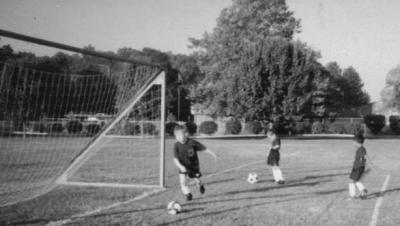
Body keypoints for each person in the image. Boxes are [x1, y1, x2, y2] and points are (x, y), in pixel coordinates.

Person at [173, 124, 217, 201]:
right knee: (182, 183)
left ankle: (200, 185)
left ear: (186, 134)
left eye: (180, 135)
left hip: (194, 167)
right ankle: (188, 194)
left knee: (197, 180)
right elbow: (175, 159)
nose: (178, 138)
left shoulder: (192, 142)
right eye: (177, 136)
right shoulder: (176, 145)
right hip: (183, 167)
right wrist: (180, 166)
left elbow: (204, 149)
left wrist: (213, 153)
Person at [349, 132, 368, 199]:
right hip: (356, 167)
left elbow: (364, 157)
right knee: (353, 180)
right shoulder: (360, 149)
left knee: (355, 180)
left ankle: (362, 190)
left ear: (357, 142)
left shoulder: (362, 149)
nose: (353, 144)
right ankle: (353, 194)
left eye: (354, 142)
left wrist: (363, 163)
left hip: (358, 167)